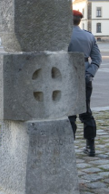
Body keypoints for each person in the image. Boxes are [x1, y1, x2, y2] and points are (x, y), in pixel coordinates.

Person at [68, 10, 102, 157]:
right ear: (79, 20)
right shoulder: (89, 36)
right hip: (84, 76)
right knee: (86, 112)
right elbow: (97, 59)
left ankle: (68, 148)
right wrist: (89, 74)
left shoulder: (63, 36)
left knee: (69, 114)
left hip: (66, 76)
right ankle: (91, 147)